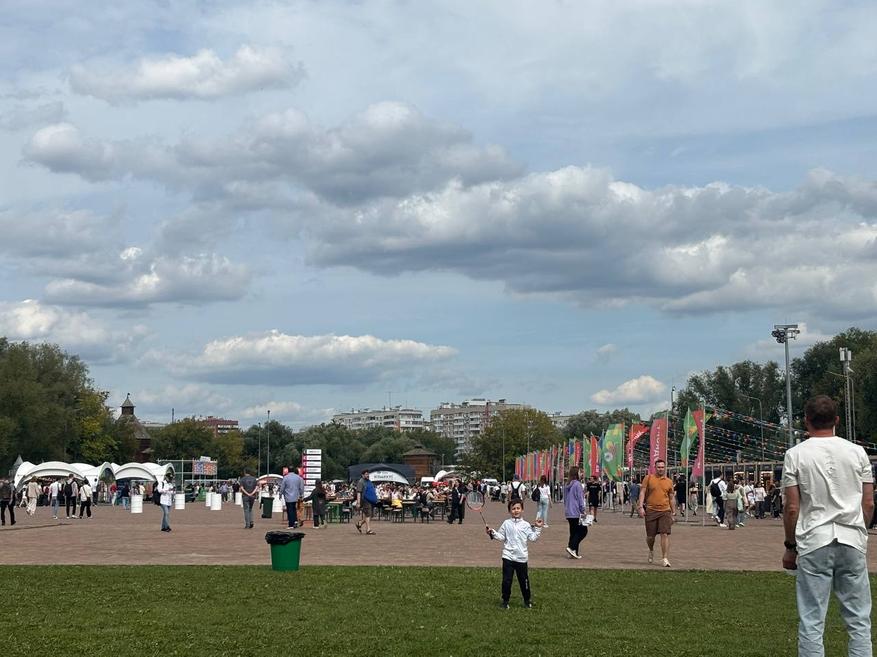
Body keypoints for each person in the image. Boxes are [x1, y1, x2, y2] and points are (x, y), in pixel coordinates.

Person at [782, 395, 874, 657]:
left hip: (814, 539)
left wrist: (790, 546)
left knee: (812, 620)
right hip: (851, 538)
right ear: (836, 420)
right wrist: (861, 532)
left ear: (806, 421)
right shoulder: (857, 452)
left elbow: (792, 507)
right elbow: (868, 503)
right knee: (859, 621)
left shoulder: (795, 455)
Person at [485, 499, 543, 609]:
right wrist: (492, 532)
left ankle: (527, 600)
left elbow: (533, 538)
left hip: (521, 558)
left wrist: (538, 528)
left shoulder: (526, 525)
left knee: (524, 581)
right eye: (513, 509)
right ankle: (505, 601)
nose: (516, 510)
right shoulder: (506, 523)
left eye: (518, 508)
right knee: (506, 581)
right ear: (509, 511)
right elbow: (501, 536)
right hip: (508, 557)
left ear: (522, 510)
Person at [638, 459, 676, 567]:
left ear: (665, 468)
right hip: (651, 510)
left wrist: (673, 512)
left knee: (664, 533)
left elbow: (671, 497)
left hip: (665, 511)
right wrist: (640, 507)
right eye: (659, 467)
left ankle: (665, 558)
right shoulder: (648, 478)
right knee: (651, 537)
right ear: (655, 468)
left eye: (662, 467)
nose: (661, 469)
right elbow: (642, 492)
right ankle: (651, 550)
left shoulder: (669, 481)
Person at [563, 466, 587, 559]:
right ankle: (571, 547)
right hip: (576, 511)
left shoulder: (567, 484)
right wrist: (583, 510)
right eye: (580, 472)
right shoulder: (577, 484)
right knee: (583, 531)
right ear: (576, 474)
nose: (582, 474)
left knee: (573, 532)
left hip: (569, 512)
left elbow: (565, 499)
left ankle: (573, 552)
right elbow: (580, 499)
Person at [354, 470, 377, 535]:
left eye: (368, 474)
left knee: (370, 515)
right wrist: (358, 502)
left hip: (371, 501)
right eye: (366, 474)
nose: (368, 475)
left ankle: (359, 523)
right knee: (368, 514)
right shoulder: (361, 482)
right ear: (362, 475)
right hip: (365, 500)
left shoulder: (369, 481)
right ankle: (368, 530)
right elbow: (358, 492)